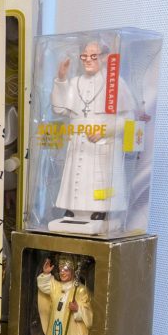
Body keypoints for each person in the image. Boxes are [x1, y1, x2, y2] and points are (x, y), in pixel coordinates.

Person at [48, 40, 136, 233]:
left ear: (104, 58)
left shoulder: (114, 83)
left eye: (93, 56)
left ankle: (101, 211)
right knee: (75, 175)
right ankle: (73, 209)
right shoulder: (74, 82)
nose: (88, 60)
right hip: (78, 141)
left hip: (102, 143)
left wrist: (105, 130)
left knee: (99, 178)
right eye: (84, 56)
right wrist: (61, 78)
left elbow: (129, 118)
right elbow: (59, 109)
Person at [36, 255, 92, 335]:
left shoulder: (80, 289)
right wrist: (46, 274)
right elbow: (44, 286)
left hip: (73, 329)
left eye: (66, 270)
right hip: (57, 326)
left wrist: (78, 309)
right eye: (60, 269)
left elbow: (88, 310)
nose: (62, 272)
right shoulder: (56, 286)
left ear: (73, 271)